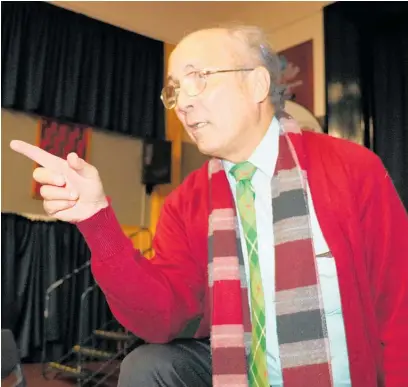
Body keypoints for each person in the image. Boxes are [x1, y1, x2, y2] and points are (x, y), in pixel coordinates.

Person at [10, 25, 408, 387]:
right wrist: (98, 221)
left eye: (198, 79)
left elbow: (398, 306)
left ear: (256, 84)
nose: (181, 103)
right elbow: (161, 319)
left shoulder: (350, 169)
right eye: (174, 89)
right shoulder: (186, 203)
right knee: (147, 365)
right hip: (240, 370)